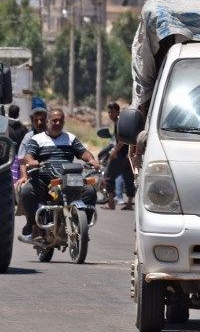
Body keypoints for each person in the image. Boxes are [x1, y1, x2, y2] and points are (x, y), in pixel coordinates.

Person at [18, 108, 100, 243]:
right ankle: (35, 228)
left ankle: (81, 227)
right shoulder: (37, 139)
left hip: (68, 178)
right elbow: (29, 155)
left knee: (90, 191)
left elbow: (83, 152)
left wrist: (91, 160)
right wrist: (32, 161)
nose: (57, 123)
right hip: (44, 179)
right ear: (47, 121)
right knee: (27, 191)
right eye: (54, 120)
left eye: (60, 120)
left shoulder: (70, 138)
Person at [14, 107, 48, 226]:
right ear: (32, 122)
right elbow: (22, 159)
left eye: (42, 120)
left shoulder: (53, 134)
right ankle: (31, 222)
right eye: (36, 120)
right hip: (35, 173)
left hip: (54, 173)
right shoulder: (29, 137)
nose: (39, 123)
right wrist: (24, 176)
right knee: (25, 191)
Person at [103, 102, 136, 210]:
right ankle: (130, 203)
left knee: (108, 176)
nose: (110, 114)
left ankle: (111, 202)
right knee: (128, 178)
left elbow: (121, 141)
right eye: (109, 112)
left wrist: (114, 153)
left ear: (118, 112)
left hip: (120, 155)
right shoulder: (123, 122)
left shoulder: (118, 123)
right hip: (127, 156)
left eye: (112, 112)